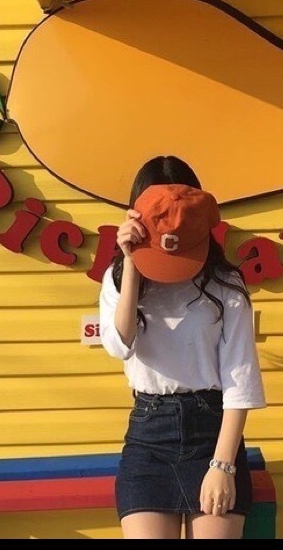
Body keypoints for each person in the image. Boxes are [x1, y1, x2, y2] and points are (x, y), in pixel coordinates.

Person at [99, 155, 267, 539]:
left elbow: (240, 380)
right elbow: (119, 345)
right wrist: (131, 263)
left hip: (213, 434)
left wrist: (223, 466)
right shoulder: (118, 278)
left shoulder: (225, 285)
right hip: (148, 435)